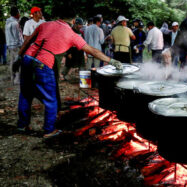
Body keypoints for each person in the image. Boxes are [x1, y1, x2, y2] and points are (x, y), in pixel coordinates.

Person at [15, 6, 122, 138]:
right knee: (51, 99)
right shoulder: (72, 34)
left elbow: (28, 41)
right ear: (72, 20)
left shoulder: (45, 24)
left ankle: (22, 125)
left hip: (27, 59)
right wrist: (111, 61)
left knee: (25, 94)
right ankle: (49, 130)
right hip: (43, 64)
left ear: (59, 16)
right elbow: (92, 51)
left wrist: (19, 57)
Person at [5, 7, 24, 85]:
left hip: (9, 45)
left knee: (12, 62)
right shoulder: (15, 23)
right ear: (16, 14)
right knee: (18, 62)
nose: (19, 14)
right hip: (16, 46)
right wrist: (22, 45)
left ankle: (12, 78)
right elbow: (17, 36)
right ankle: (17, 79)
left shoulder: (7, 22)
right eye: (19, 13)